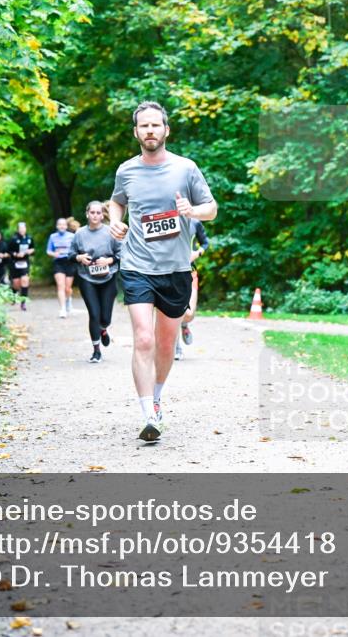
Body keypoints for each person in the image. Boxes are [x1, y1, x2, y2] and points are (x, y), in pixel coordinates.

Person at [109, 101, 217, 442]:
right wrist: (115, 222)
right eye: (144, 126)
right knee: (143, 338)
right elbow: (117, 201)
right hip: (137, 264)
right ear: (136, 132)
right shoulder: (126, 170)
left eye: (156, 125)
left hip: (176, 268)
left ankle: (156, 398)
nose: (150, 131)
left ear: (166, 130)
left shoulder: (186, 169)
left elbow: (211, 209)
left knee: (165, 344)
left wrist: (192, 210)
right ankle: (147, 413)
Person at [68, 201, 123, 363]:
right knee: (94, 314)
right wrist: (79, 257)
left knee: (105, 318)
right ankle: (96, 350)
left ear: (102, 215)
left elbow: (121, 254)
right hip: (87, 278)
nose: (95, 216)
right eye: (92, 212)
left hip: (108, 276)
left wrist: (109, 260)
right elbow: (70, 255)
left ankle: (103, 329)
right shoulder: (79, 234)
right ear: (87, 214)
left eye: (98, 213)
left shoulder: (110, 232)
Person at [174, 218, 210, 360]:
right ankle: (176, 348)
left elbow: (205, 243)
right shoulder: (166, 221)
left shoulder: (195, 223)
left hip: (190, 272)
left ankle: (184, 324)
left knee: (188, 314)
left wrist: (197, 253)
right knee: (175, 311)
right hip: (171, 273)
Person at [46, 217, 76, 317]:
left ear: (66, 226)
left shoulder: (72, 236)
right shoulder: (52, 237)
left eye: (63, 224)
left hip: (69, 262)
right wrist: (54, 254)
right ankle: (62, 309)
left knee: (68, 288)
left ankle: (68, 300)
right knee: (60, 285)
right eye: (60, 224)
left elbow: (77, 249)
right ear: (57, 226)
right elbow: (48, 251)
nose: (62, 226)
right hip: (58, 262)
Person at [7, 221, 35, 311]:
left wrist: (29, 251)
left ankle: (23, 303)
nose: (22, 230)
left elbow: (32, 248)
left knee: (25, 281)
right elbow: (8, 251)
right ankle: (14, 293)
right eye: (20, 228)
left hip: (24, 263)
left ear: (26, 229)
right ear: (18, 229)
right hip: (14, 263)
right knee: (16, 284)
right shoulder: (13, 239)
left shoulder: (29, 238)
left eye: (24, 228)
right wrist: (15, 254)